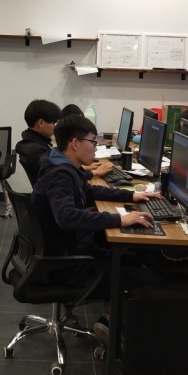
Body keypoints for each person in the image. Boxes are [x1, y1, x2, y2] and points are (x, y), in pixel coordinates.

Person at [31, 114, 162, 343]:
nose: (95, 147)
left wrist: (131, 195)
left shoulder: (61, 165)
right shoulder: (60, 174)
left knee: (132, 258)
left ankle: (109, 318)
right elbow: (66, 217)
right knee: (150, 280)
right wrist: (120, 220)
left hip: (70, 250)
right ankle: (120, 333)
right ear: (75, 143)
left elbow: (89, 191)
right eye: (93, 142)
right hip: (69, 264)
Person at [16, 99, 62, 187]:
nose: (55, 127)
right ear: (41, 123)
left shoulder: (32, 144)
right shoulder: (37, 150)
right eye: (53, 123)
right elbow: (60, 175)